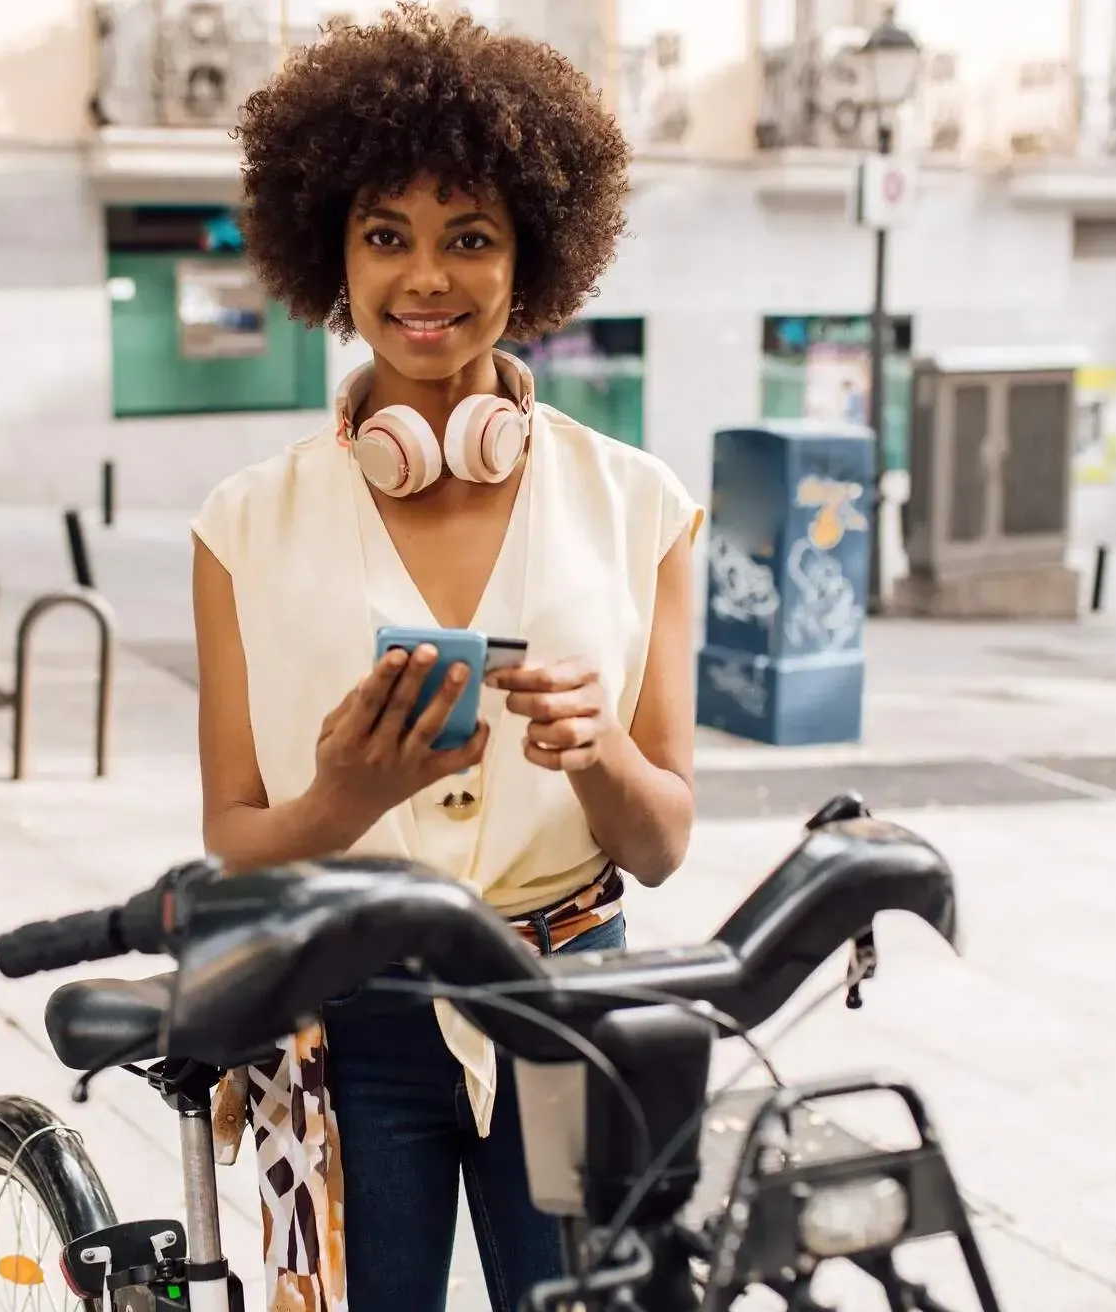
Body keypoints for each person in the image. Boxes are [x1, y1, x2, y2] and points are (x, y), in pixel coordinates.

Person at [187, 7, 702, 1311]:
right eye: (386, 236)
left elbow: (659, 845)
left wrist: (599, 756)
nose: (427, 278)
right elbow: (235, 846)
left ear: (532, 254)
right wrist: (341, 805)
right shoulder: (242, 525)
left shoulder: (642, 504)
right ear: (333, 257)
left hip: (568, 1007)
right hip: (349, 1022)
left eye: (469, 236)